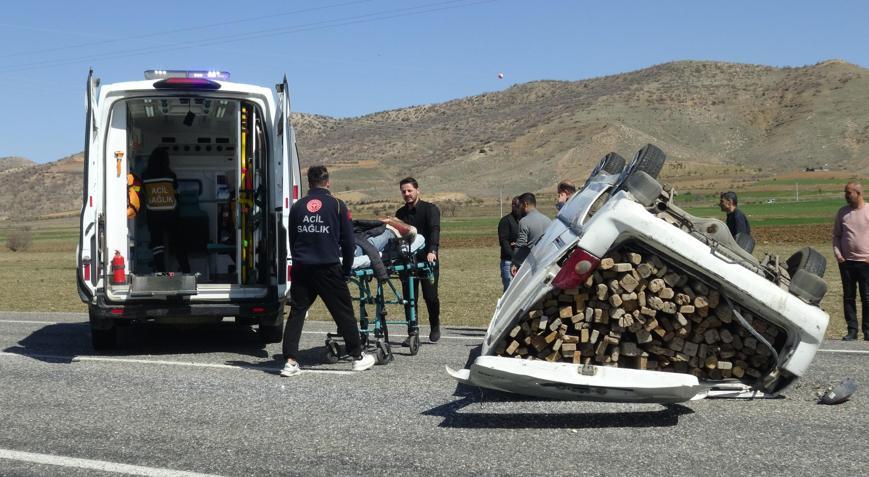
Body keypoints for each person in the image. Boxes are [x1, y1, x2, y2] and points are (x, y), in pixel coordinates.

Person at [281, 165, 375, 376]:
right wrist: (347, 268)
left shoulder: (297, 206)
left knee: (297, 313)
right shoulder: (337, 205)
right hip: (328, 267)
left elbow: (293, 239)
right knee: (343, 312)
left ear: (309, 182)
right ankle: (358, 356)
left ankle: (290, 361)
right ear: (328, 182)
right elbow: (349, 241)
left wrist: (298, 261)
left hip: (302, 267)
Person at [395, 177, 442, 343]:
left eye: (409, 190)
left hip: (428, 260)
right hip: (407, 262)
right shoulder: (400, 214)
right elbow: (398, 237)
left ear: (417, 190)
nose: (407, 194)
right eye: (404, 191)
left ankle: (434, 325)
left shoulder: (430, 209)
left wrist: (432, 250)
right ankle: (412, 332)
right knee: (409, 299)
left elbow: (435, 230)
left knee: (430, 297)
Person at [141, 147, 190, 273]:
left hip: (154, 214)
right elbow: (175, 191)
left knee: (157, 244)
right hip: (171, 213)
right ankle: (186, 269)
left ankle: (160, 271)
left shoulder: (145, 176)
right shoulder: (170, 175)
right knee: (178, 242)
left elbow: (144, 194)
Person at [833, 182, 869, 341]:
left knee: (867, 297)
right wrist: (838, 255)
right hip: (846, 262)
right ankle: (852, 330)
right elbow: (836, 236)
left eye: (848, 193)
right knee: (849, 297)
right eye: (845, 192)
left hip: (865, 262)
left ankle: (868, 331)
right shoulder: (842, 213)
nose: (846, 196)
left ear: (858, 193)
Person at [511, 192, 552, 276]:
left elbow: (520, 245)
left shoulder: (524, 221)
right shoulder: (548, 220)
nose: (519, 209)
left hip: (530, 265)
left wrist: (515, 263)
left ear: (525, 204)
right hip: (546, 263)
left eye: (520, 206)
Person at [497, 196, 521, 291]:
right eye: (518, 206)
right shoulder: (505, 221)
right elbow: (504, 242)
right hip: (509, 262)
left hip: (523, 262)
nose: (520, 209)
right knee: (509, 291)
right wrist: (514, 256)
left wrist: (517, 244)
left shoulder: (524, 220)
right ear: (513, 205)